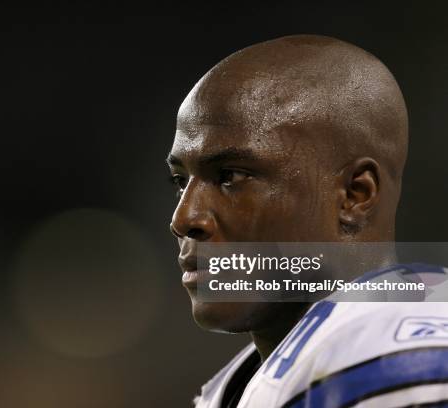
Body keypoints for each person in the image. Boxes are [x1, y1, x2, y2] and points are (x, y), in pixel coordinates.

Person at [167, 34, 448, 407]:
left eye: (230, 176)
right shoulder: (253, 379)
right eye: (181, 181)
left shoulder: (406, 371)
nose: (184, 218)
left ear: (354, 195)